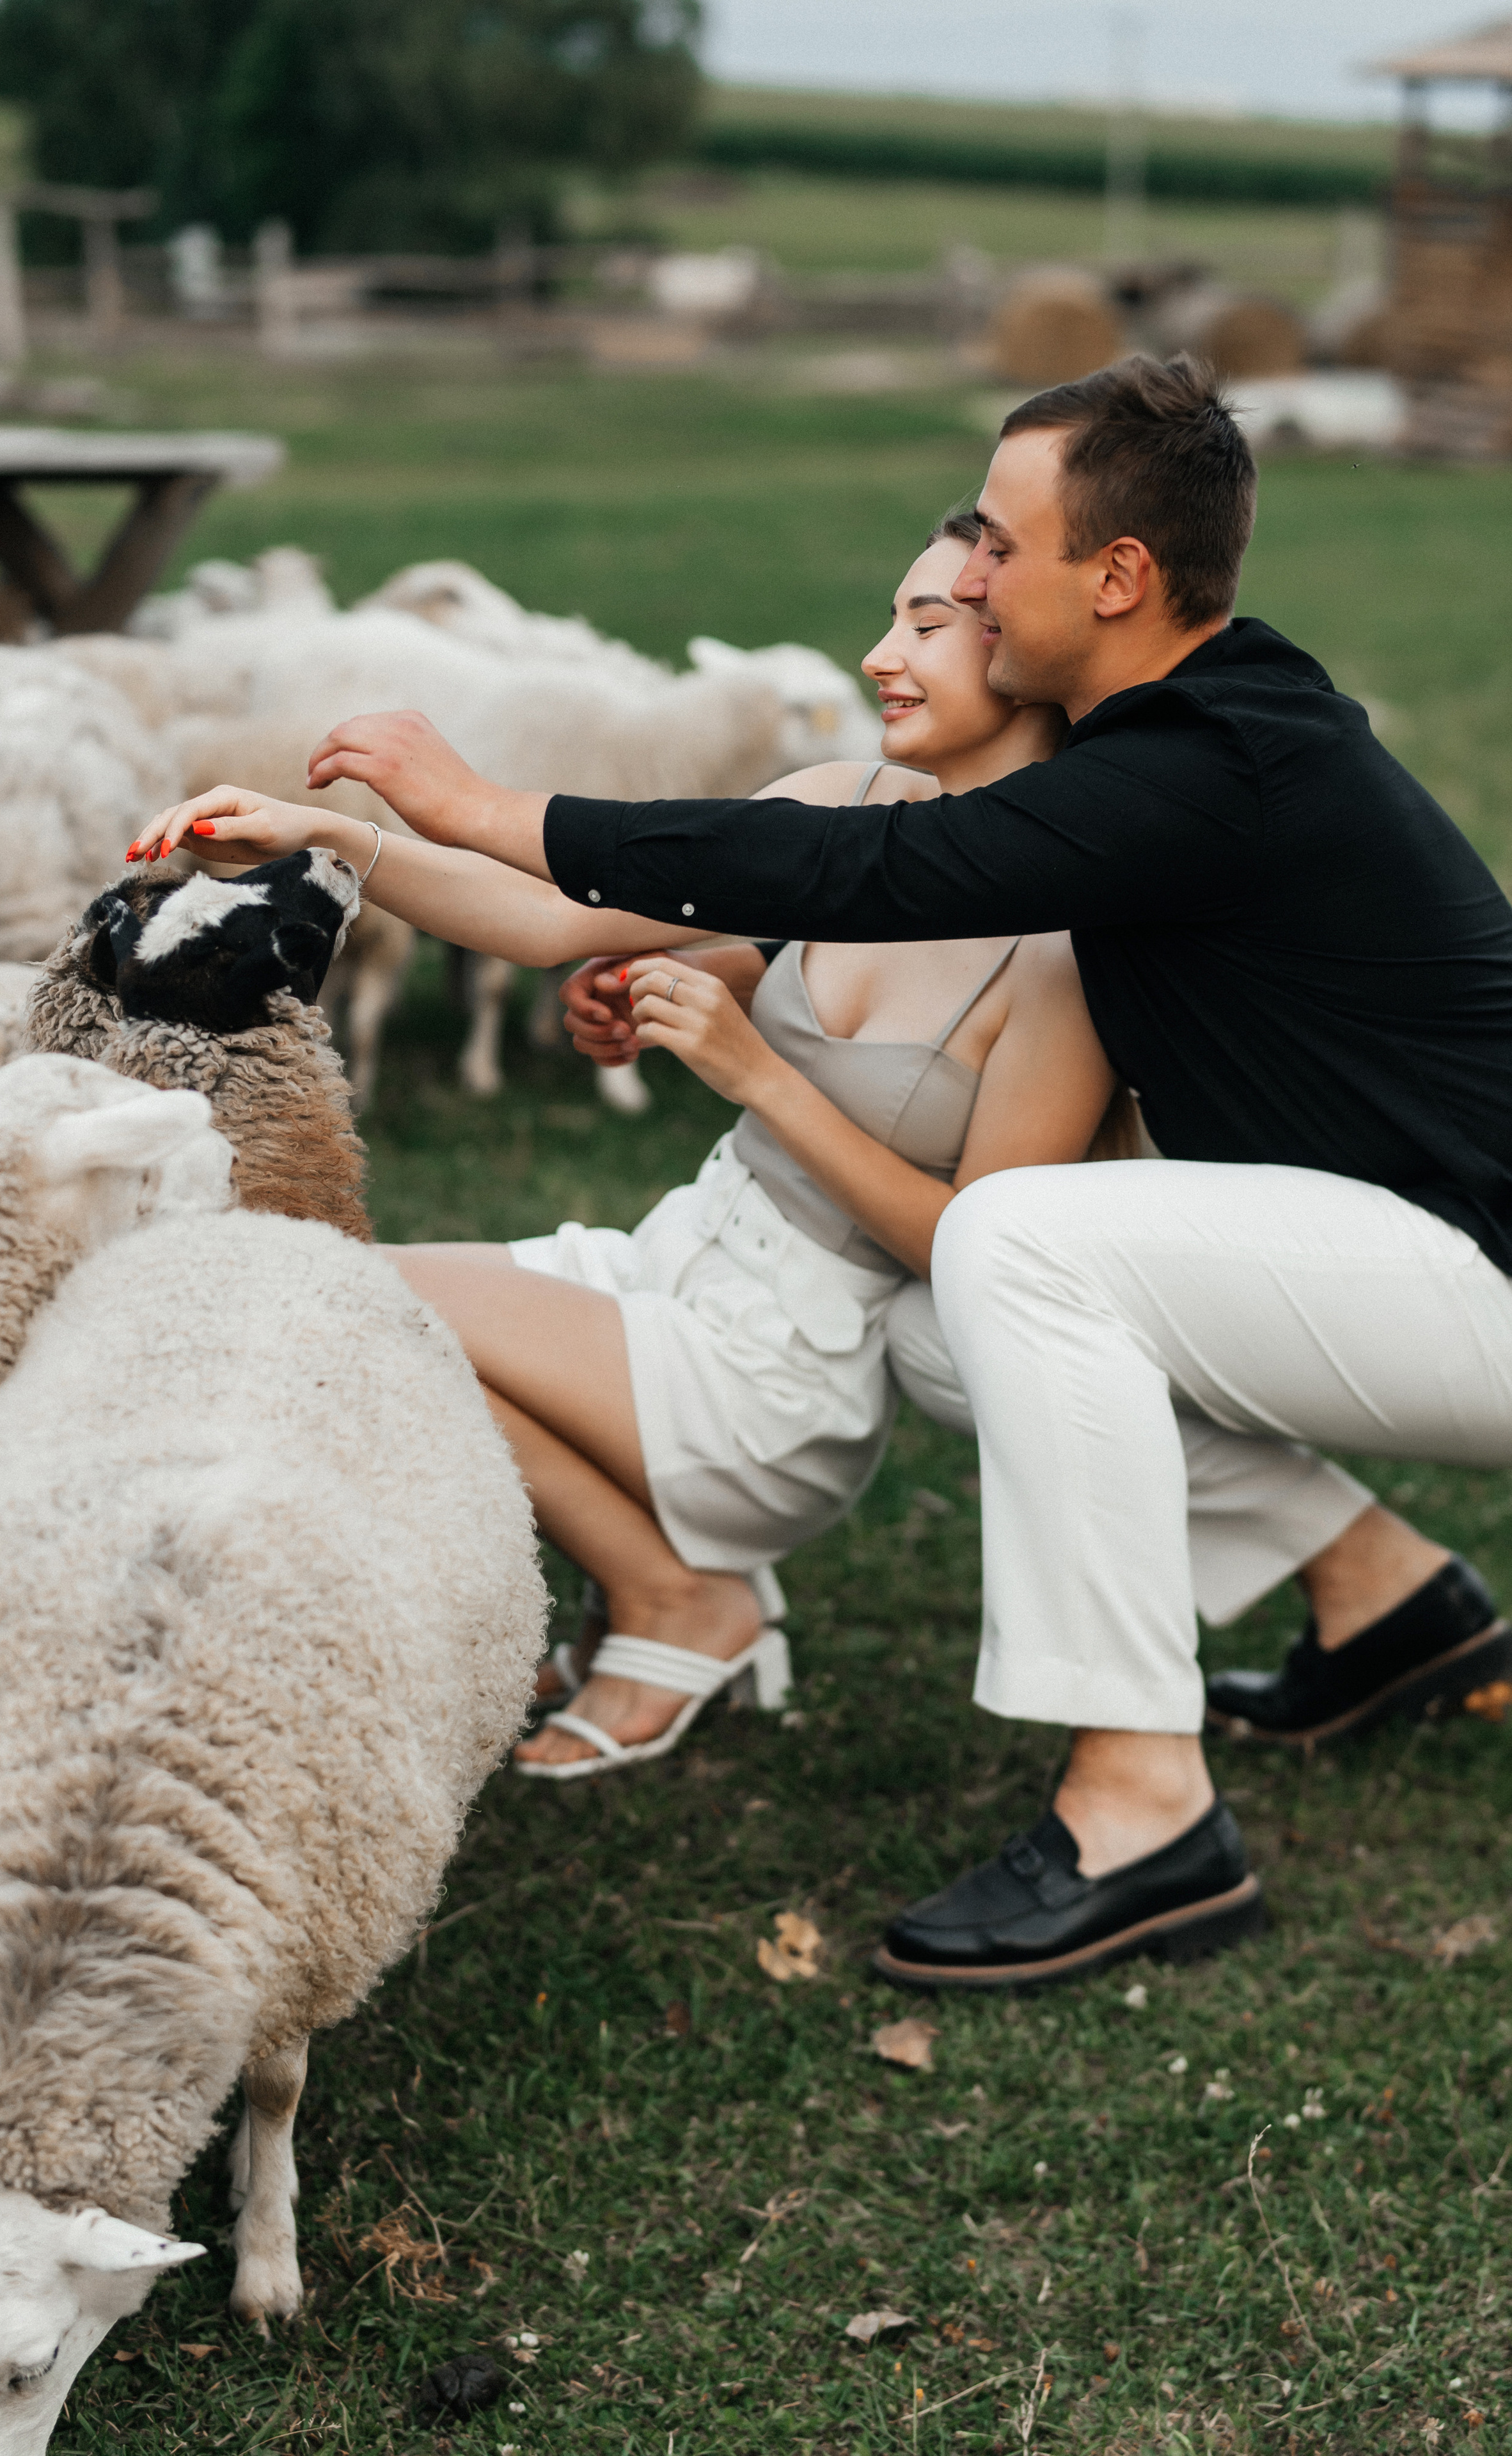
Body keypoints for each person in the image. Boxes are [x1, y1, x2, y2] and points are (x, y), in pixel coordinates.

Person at [218, 351, 1512, 1994]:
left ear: (1114, 577)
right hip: (1408, 1233)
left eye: (996, 549)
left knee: (1021, 1247)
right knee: (948, 1329)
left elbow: (869, 862)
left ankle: (1140, 1805)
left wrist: (486, 804)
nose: (964, 578)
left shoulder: (1195, 770)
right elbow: (838, 851)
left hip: (1478, 1257)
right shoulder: (1187, 731)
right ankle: (1384, 1597)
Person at [129, 517, 1131, 1780]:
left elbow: (976, 1256)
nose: (876, 658)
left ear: (1032, 650)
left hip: (778, 1377)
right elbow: (554, 916)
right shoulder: (843, 804)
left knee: (337, 1293)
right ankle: (660, 1588)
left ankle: (673, 1596)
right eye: (890, 617)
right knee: (323, 1297)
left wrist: (751, 1071)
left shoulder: (1067, 949)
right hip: (668, 1264)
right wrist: (326, 840)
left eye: (925, 629)